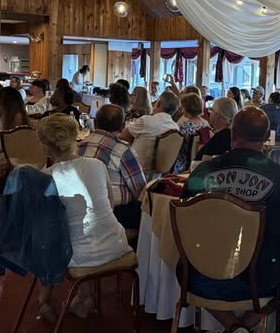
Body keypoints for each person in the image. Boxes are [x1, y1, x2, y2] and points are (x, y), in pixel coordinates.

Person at [181, 107, 280, 333]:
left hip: (203, 275)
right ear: (267, 136)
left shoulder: (202, 173)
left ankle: (233, 329)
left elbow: (185, 218)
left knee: (184, 267)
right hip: (261, 279)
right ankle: (244, 328)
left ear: (232, 133)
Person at [37, 114, 131, 321]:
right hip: (117, 244)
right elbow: (110, 205)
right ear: (76, 138)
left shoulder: (46, 176)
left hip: (79, 256)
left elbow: (47, 228)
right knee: (85, 231)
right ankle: (84, 296)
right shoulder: (97, 165)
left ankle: (44, 300)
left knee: (48, 241)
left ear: (44, 146)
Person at [78, 104, 147, 231]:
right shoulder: (123, 150)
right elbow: (140, 191)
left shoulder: (79, 145)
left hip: (81, 210)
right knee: (150, 209)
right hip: (114, 214)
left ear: (95, 122)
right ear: (122, 126)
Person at [120, 91, 180, 178]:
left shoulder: (146, 121)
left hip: (135, 171)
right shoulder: (175, 127)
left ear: (158, 103)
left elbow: (123, 136)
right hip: (158, 176)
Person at [173, 93, 211, 173]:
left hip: (182, 165)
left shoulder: (184, 127)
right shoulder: (206, 124)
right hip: (198, 162)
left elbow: (175, 146)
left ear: (187, 108)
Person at [195, 97, 238, 161]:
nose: (209, 113)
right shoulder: (233, 134)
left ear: (216, 116)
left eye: (211, 110)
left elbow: (205, 161)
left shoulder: (220, 138)